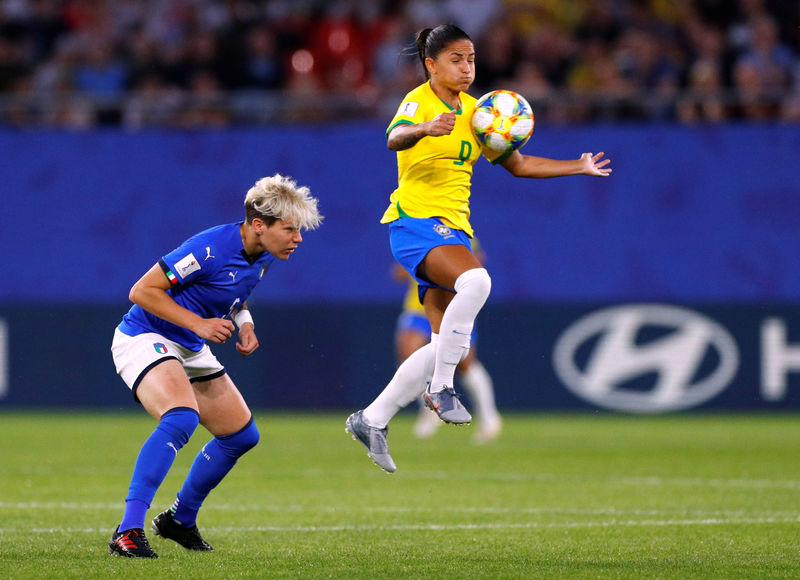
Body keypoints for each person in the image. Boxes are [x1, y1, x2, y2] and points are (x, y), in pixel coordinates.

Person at [346, 24, 611, 473]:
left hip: (453, 231)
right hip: (415, 225)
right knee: (477, 280)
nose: (467, 68)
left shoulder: (479, 114)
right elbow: (394, 138)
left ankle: (371, 419)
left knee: (441, 342)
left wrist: (577, 167)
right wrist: (425, 128)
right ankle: (441, 389)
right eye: (456, 59)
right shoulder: (419, 102)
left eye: (471, 59)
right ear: (431, 65)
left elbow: (520, 164)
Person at [108, 174, 322, 558]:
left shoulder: (264, 258)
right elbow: (141, 291)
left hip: (189, 344)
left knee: (240, 435)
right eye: (290, 229)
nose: (298, 238)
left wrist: (246, 324)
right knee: (180, 417)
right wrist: (199, 324)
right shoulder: (209, 248)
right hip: (144, 336)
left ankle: (179, 520)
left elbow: (234, 297)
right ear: (259, 225)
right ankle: (127, 531)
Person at [392, 242, 501, 444]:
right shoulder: (416, 232)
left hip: (453, 308)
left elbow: (477, 261)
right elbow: (398, 273)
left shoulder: (456, 230)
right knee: (408, 353)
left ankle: (489, 418)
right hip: (419, 306)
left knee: (465, 364)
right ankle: (430, 410)